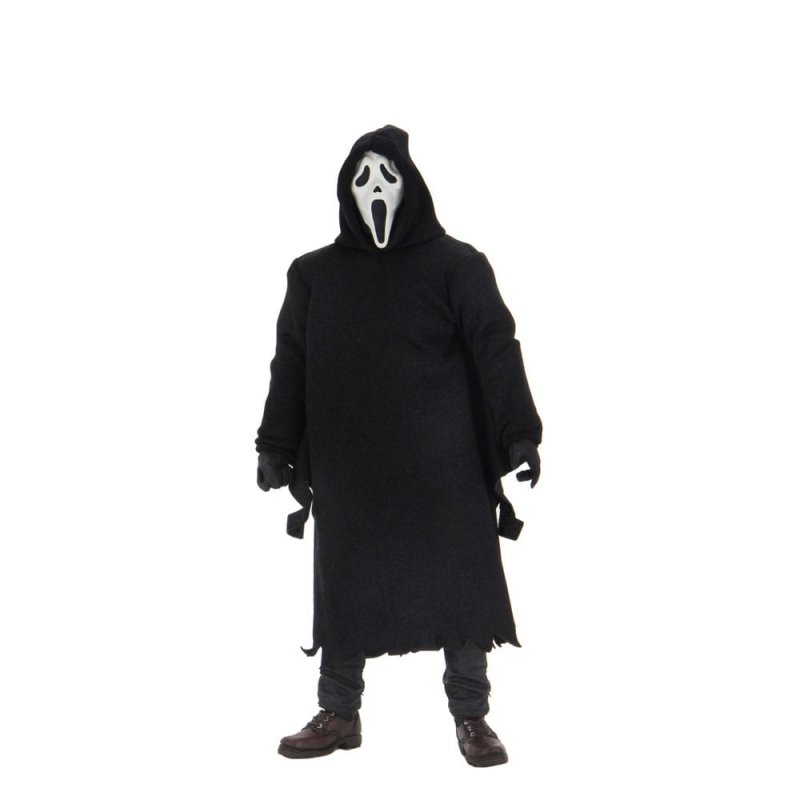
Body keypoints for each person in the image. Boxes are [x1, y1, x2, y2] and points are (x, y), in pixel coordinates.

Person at [256, 125, 542, 767]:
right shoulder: (314, 275)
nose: (375, 188)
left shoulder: (458, 266)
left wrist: (519, 431)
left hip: (446, 463)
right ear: (345, 191)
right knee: (345, 585)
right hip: (352, 466)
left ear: (411, 186)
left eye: (387, 175)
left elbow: (496, 347)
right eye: (362, 177)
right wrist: (275, 442)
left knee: (462, 586)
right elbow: (291, 362)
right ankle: (339, 712)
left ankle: (472, 716)